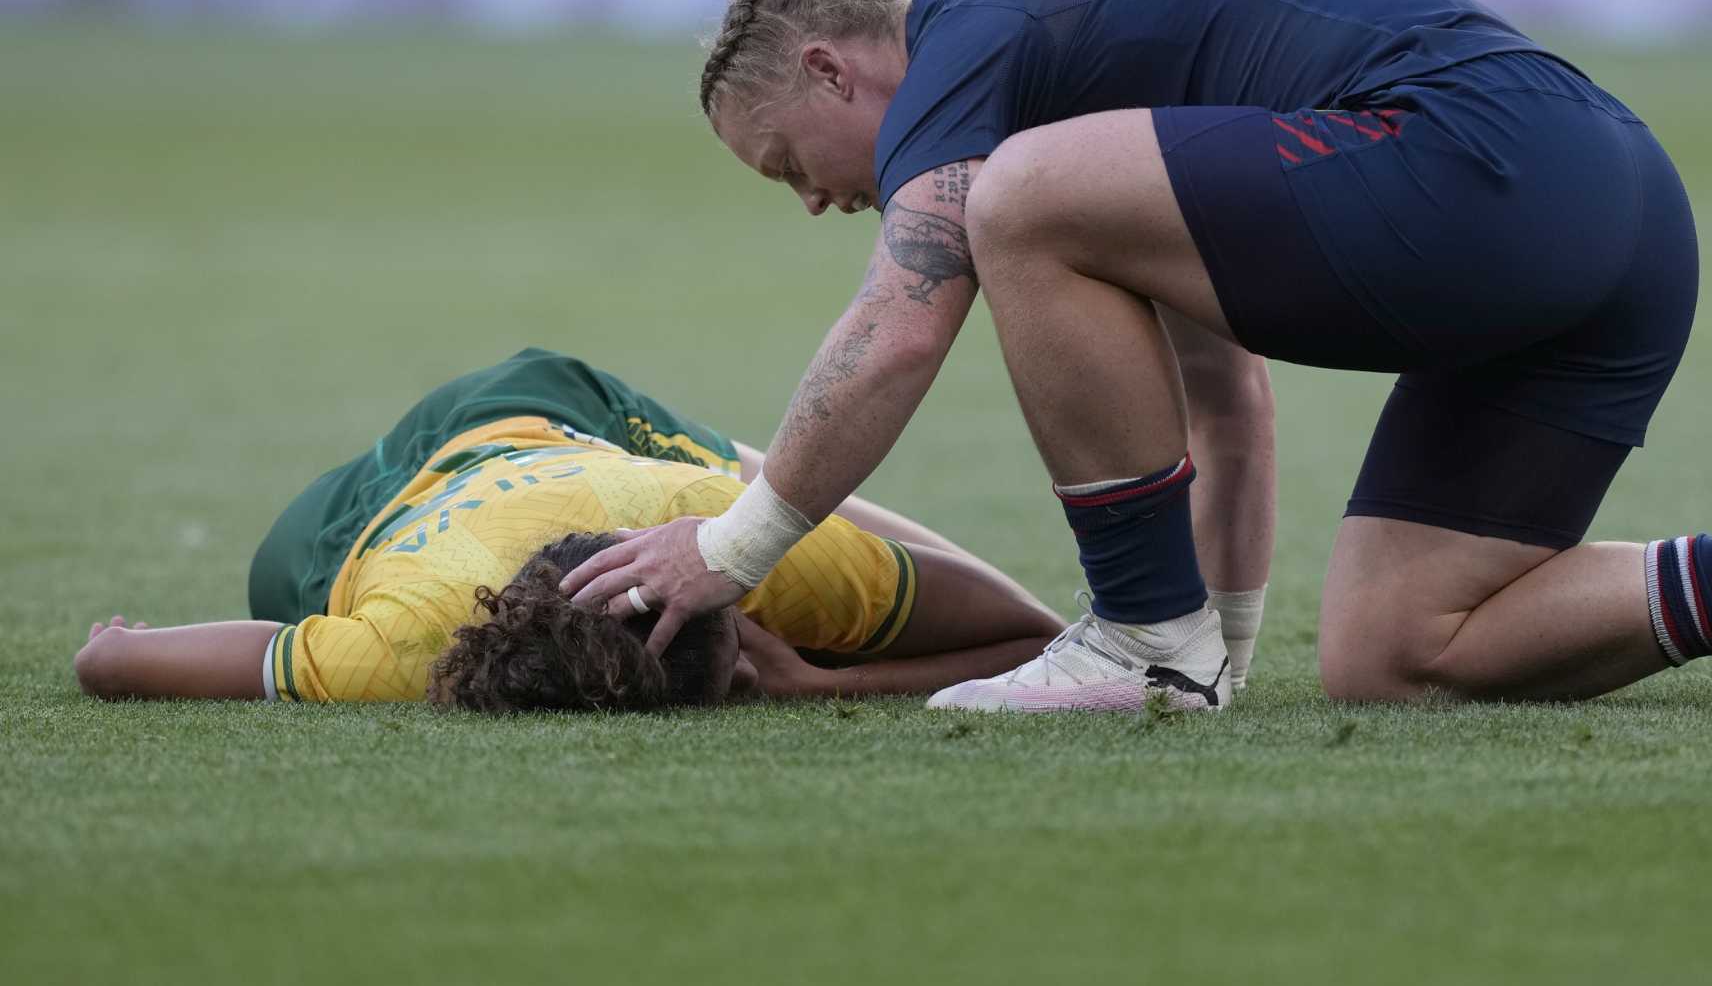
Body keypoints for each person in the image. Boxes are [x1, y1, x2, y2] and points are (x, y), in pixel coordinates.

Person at [563, 0, 1712, 714]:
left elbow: (908, 314)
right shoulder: (1069, 78)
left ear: (829, 71)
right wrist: (1223, 645)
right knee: (1398, 653)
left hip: (1490, 161)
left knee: (1005, 208)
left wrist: (738, 545)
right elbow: (1222, 389)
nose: (814, 200)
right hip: (1611, 209)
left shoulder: (960, 44)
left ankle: (1135, 640)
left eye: (786, 170)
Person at [74, 348, 1062, 708]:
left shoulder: (725, 541)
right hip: (409, 487)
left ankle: (745, 467)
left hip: (482, 436)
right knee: (277, 589)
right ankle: (741, 465)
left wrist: (815, 674)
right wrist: (824, 679)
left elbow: (1042, 644)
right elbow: (1031, 638)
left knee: (768, 488)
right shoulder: (408, 641)